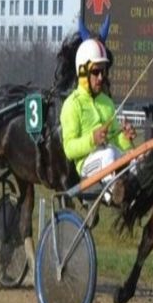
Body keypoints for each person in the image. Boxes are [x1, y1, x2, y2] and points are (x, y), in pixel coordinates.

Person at [60, 37, 136, 200]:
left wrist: (126, 138)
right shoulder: (72, 105)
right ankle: (115, 194)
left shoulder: (107, 102)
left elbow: (117, 140)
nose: (101, 77)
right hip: (87, 166)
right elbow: (69, 149)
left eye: (104, 71)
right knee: (108, 154)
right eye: (96, 72)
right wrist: (92, 139)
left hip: (110, 157)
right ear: (82, 72)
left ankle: (133, 193)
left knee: (136, 157)